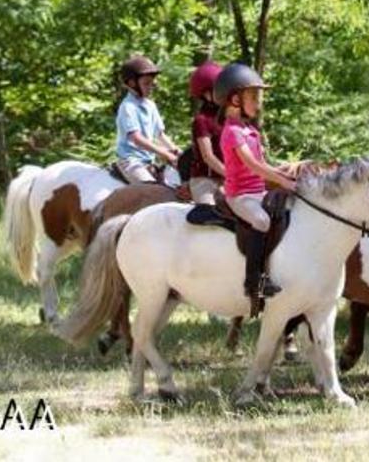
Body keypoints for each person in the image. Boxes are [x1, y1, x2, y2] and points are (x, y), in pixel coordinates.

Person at [215, 63, 297, 299]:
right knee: (261, 220)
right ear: (235, 100)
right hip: (239, 195)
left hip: (258, 192)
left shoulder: (250, 130)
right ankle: (254, 282)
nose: (258, 103)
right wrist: (282, 182)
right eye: (253, 96)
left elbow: (263, 164)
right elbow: (253, 165)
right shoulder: (232, 132)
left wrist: (286, 176)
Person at [115, 55, 180, 184]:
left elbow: (160, 135)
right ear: (132, 83)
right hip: (131, 161)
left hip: (149, 161)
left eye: (152, 83)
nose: (151, 87)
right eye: (146, 84)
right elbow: (137, 139)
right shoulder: (128, 107)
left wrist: (176, 150)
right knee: (151, 190)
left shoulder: (150, 105)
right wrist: (164, 153)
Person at [188, 61, 225, 205]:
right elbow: (208, 156)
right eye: (217, 90)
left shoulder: (228, 119)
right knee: (208, 211)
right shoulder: (201, 121)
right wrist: (231, 175)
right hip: (205, 181)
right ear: (205, 94)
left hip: (226, 179)